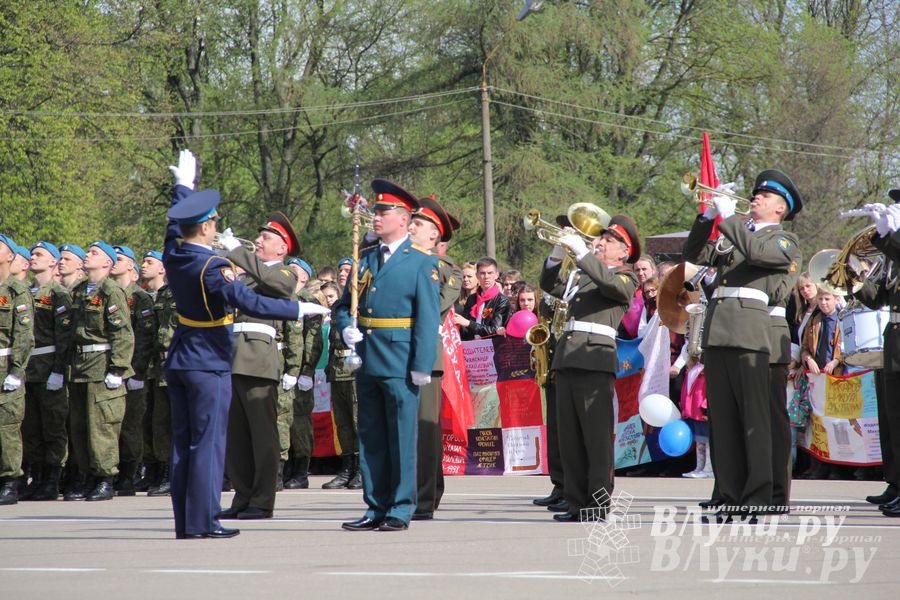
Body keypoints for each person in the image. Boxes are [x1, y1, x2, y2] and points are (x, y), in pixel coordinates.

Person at [162, 149, 328, 539]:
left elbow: (174, 227)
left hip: (200, 354)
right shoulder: (215, 265)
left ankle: (204, 515)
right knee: (214, 443)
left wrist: (183, 189)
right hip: (214, 357)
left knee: (197, 442)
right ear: (204, 228)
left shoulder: (177, 253)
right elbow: (248, 299)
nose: (258, 238)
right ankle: (207, 518)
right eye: (212, 221)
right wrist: (300, 311)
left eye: (267, 236)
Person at [682, 169, 803, 522]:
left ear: (780, 209)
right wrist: (707, 217)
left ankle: (759, 497)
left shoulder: (784, 241)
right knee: (724, 421)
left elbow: (756, 253)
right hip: (719, 334)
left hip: (751, 335)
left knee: (755, 421)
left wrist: (729, 216)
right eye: (755, 195)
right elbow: (694, 253)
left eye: (764, 197)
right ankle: (729, 494)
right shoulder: (735, 236)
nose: (756, 199)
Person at [334, 179, 440, 532]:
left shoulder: (421, 263)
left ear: (404, 219)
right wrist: (347, 326)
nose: (375, 217)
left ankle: (400, 506)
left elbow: (427, 317)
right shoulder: (365, 259)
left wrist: (422, 364)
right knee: (371, 436)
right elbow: (344, 306)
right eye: (375, 211)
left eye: (383, 211)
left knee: (401, 437)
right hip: (366, 357)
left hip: (400, 359)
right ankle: (375, 506)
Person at [540, 216, 640, 522]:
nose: (601, 242)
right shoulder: (584, 274)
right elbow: (550, 286)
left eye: (609, 240)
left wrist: (582, 254)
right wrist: (559, 253)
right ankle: (575, 501)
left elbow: (614, 290)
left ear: (624, 252)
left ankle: (597, 504)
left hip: (595, 359)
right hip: (569, 357)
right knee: (569, 437)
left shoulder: (626, 276)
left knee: (595, 439)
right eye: (602, 238)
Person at [215, 211, 302, 521]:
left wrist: (235, 252)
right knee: (235, 436)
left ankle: (263, 500)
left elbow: (275, 286)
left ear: (282, 248)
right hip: (231, 355)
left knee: (262, 435)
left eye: (266, 238)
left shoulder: (285, 272)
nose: (258, 241)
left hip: (258, 357)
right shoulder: (247, 274)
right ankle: (243, 495)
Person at [66, 241, 135, 502]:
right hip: (79, 366)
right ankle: (86, 477)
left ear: (107, 262)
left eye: (94, 253)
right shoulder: (81, 290)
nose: (87, 255)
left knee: (101, 426)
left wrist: (118, 368)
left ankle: (105, 479)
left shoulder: (111, 291)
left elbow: (122, 333)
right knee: (80, 426)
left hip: (101, 364)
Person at [408, 193, 461, 520]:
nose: (412, 226)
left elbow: (437, 306)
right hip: (397, 351)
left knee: (425, 432)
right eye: (411, 221)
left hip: (425, 353)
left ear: (435, 234)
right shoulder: (402, 262)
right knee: (406, 429)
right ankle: (410, 493)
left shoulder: (444, 269)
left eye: (419, 223)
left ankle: (425, 498)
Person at [853, 189, 900, 515]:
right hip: (894, 339)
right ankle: (895, 482)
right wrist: (854, 280)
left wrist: (887, 235)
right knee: (891, 419)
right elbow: (879, 299)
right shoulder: (893, 258)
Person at [20, 242, 73, 501]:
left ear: (52, 263)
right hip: (27, 369)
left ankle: (53, 479)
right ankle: (37, 477)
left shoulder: (58, 294)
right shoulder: (25, 292)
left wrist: (59, 370)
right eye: (32, 254)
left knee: (53, 426)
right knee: (31, 426)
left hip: (49, 366)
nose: (33, 257)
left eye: (39, 255)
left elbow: (64, 336)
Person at [109, 245, 155, 497]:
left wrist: (136, 372)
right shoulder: (108, 292)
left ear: (131, 268)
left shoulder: (139, 297)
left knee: (131, 424)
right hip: (113, 369)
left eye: (120, 259)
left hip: (132, 371)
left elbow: (144, 338)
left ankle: (129, 474)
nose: (114, 262)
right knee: (114, 422)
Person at [277, 258, 323, 491]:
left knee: (299, 422)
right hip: (280, 367)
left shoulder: (308, 302)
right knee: (280, 420)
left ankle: (300, 470)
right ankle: (283, 468)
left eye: (294, 270)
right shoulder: (279, 298)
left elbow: (313, 341)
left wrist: (306, 371)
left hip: (300, 371)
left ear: (304, 277)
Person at [0, 235, 35, 505]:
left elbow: (24, 334)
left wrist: (16, 371)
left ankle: (11, 480)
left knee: (7, 427)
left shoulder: (16, 290)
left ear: (10, 256)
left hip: (6, 366)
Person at [139, 250, 175, 496]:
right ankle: (155, 470)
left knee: (167, 422)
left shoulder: (179, 293)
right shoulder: (160, 295)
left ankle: (170, 473)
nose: (144, 265)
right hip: (154, 366)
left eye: (150, 262)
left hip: (173, 365)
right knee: (152, 420)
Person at [454, 257, 510, 340]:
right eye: (482, 273)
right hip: (472, 348)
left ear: (496, 275)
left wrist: (469, 323)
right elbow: (465, 330)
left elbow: (496, 331)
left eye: (490, 273)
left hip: (493, 348)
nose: (486, 277)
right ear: (477, 275)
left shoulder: (502, 300)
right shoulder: (471, 299)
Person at [620, 254, 656, 338]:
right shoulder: (629, 291)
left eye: (644, 269)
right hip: (629, 339)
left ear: (653, 270)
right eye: (637, 270)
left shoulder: (661, 290)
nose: (640, 273)